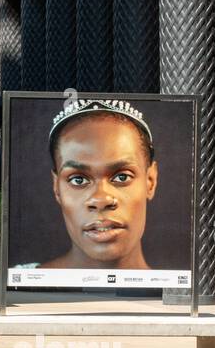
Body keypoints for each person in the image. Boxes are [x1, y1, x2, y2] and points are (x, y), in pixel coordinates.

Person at [20, 98, 159, 270]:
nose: (101, 200)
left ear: (150, 181)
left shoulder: (181, 292)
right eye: (78, 180)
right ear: (57, 188)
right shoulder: (18, 287)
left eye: (122, 177)